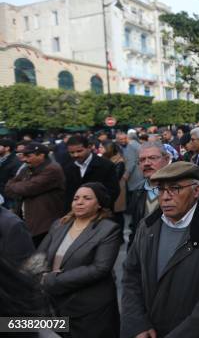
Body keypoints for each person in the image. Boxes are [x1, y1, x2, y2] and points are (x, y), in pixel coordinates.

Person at [122, 162, 199, 338]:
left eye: (174, 188)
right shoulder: (147, 225)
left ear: (196, 191)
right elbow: (131, 275)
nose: (165, 197)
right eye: (160, 189)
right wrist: (138, 323)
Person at [37, 182, 121, 338]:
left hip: (89, 308)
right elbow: (40, 256)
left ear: (99, 204)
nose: (79, 202)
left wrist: (53, 279)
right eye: (76, 198)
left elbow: (100, 268)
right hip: (55, 302)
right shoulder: (60, 224)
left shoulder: (108, 229)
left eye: (87, 198)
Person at [5, 142, 65, 247]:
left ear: (41, 155)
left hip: (43, 225)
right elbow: (8, 187)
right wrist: (18, 187)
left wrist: (17, 186)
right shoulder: (27, 169)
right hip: (26, 221)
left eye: (28, 156)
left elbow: (28, 188)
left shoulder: (52, 169)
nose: (24, 159)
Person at [63, 136, 119, 213]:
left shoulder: (106, 165)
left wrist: (100, 207)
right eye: (72, 153)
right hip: (75, 214)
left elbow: (113, 191)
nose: (75, 155)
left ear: (89, 148)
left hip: (99, 214)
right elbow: (67, 193)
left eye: (79, 151)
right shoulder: (67, 167)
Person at [116, 130, 144, 210]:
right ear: (117, 140)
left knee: (134, 197)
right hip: (134, 177)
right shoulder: (122, 147)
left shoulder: (130, 147)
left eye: (125, 138)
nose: (123, 140)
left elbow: (131, 162)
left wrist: (126, 174)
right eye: (121, 139)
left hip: (134, 177)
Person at [0, 139, 21, 210]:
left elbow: (15, 180)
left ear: (7, 148)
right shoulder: (2, 159)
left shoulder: (15, 162)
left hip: (7, 198)